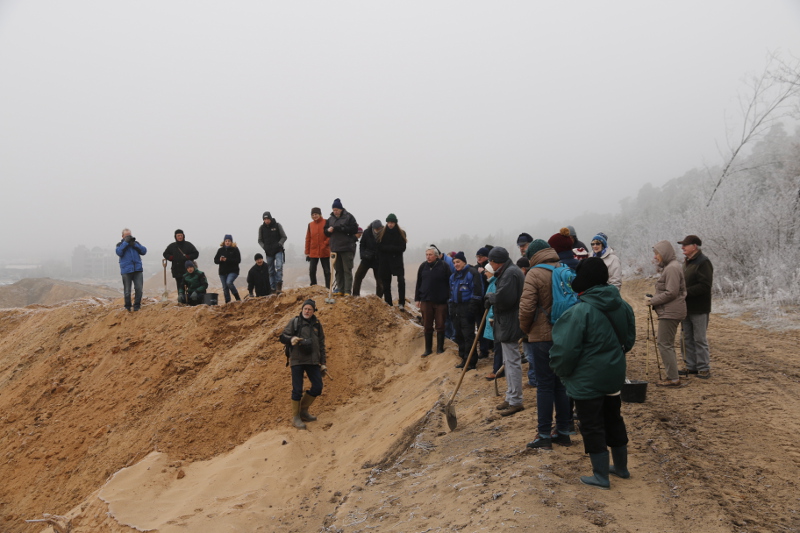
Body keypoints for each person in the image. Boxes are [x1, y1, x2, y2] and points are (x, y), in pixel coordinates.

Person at [549, 257, 636, 489]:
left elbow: (565, 351)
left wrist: (562, 372)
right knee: (613, 418)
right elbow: (628, 341)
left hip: (588, 379)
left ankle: (600, 476)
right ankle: (621, 467)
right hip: (614, 375)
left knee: (591, 424)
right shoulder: (623, 306)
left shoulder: (579, 312)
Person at [520, 241, 572, 448]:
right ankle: (564, 432)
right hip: (564, 334)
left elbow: (526, 307)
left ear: (533, 256)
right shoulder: (563, 268)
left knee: (544, 386)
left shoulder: (534, 273)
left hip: (542, 337)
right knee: (561, 384)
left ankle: (543, 436)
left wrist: (525, 329)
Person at [484, 247, 526, 416]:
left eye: (491, 261)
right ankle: (510, 396)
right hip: (507, 322)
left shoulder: (510, 273)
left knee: (513, 361)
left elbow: (504, 299)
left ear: (497, 261)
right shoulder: (508, 271)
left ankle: (516, 400)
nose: (489, 264)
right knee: (508, 361)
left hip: (510, 322)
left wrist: (490, 297)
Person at [279, 299, 327, 430]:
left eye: (309, 309)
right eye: (305, 309)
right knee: (297, 390)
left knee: (317, 387)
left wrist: (323, 362)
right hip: (297, 360)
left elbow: (321, 344)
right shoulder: (295, 322)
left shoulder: (317, 324)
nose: (307, 311)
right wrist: (291, 339)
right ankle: (295, 417)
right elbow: (282, 337)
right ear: (302, 309)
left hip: (313, 361)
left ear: (313, 311)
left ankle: (303, 411)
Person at [646, 240, 687, 387]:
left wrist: (653, 301)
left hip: (670, 312)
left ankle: (673, 379)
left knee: (664, 344)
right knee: (666, 344)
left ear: (664, 253)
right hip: (671, 310)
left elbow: (671, 292)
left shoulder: (672, 268)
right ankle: (673, 376)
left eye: (657, 253)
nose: (655, 257)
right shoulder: (671, 267)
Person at [678, 235, 713, 379]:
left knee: (699, 338)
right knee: (686, 338)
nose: (682, 247)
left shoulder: (703, 262)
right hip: (686, 307)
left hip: (699, 308)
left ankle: (704, 368)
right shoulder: (687, 262)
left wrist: (685, 292)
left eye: (685, 245)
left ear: (695, 246)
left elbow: (705, 286)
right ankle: (691, 367)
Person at [448, 251, 484, 369]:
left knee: (468, 335)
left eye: (458, 262)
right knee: (459, 335)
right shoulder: (453, 276)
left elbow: (478, 292)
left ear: (464, 262)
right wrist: (451, 308)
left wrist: (471, 308)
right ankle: (463, 358)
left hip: (467, 307)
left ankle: (471, 361)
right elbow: (451, 293)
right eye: (454, 262)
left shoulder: (472, 273)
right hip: (456, 308)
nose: (456, 264)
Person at [415, 246, 451, 356]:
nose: (428, 257)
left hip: (440, 301)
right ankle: (428, 349)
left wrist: (448, 298)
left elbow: (450, 283)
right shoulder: (423, 266)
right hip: (426, 300)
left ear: (436, 256)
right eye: (427, 254)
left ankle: (440, 348)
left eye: (430, 255)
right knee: (427, 325)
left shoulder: (444, 266)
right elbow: (419, 283)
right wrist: (417, 298)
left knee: (440, 325)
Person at [325, 198, 359, 296]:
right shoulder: (330, 219)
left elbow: (354, 229)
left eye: (337, 210)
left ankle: (347, 291)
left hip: (346, 247)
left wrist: (342, 228)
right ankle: (340, 289)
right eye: (334, 210)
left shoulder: (349, 217)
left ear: (341, 209)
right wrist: (328, 231)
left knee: (346, 269)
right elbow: (325, 232)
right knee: (338, 269)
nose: (335, 212)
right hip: (335, 247)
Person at [376, 213, 407, 308]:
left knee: (401, 281)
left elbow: (402, 247)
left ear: (395, 223)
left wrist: (388, 249)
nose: (390, 224)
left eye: (392, 222)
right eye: (389, 222)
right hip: (385, 262)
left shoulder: (401, 233)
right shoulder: (381, 233)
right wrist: (392, 249)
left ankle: (401, 302)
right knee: (386, 283)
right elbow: (378, 247)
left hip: (397, 261)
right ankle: (388, 302)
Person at [162, 229, 199, 303]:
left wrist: (188, 257)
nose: (180, 237)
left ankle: (191, 301)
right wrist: (171, 258)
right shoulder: (172, 246)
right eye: (178, 236)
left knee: (191, 286)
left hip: (188, 270)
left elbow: (196, 254)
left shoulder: (188, 245)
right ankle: (181, 302)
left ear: (183, 236)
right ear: (175, 237)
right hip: (177, 270)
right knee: (180, 287)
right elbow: (165, 254)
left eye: (181, 235)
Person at [116, 228, 147, 312]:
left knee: (139, 288)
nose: (129, 237)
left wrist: (135, 245)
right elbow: (119, 252)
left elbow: (144, 251)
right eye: (126, 235)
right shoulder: (120, 244)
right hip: (126, 270)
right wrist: (125, 243)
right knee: (127, 290)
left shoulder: (135, 243)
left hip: (137, 269)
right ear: (122, 236)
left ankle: (137, 305)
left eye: (129, 235)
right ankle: (127, 307)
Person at [482, 264, 505, 381]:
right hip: (493, 319)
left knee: (498, 345)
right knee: (498, 345)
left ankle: (498, 371)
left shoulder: (495, 284)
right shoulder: (491, 282)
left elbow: (494, 303)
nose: (485, 273)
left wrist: (491, 317)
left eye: (486, 271)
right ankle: (498, 369)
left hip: (495, 319)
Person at [258, 211, 288, 294]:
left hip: (278, 250)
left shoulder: (277, 225)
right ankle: (273, 288)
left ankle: (279, 285)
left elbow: (284, 237)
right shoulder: (261, 228)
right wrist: (264, 247)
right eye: (265, 219)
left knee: (279, 267)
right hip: (268, 252)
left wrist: (279, 244)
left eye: (268, 218)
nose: (266, 220)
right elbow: (259, 240)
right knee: (270, 271)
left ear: (270, 218)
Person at [352, 220, 384, 297]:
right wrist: (362, 255)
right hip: (366, 258)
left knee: (380, 281)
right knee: (358, 276)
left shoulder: (385, 233)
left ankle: (378, 299)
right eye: (375, 228)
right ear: (372, 227)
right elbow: (362, 244)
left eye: (378, 228)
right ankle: (355, 295)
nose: (377, 230)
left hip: (378, 261)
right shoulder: (367, 232)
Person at [305, 207, 331, 288]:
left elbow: (330, 236)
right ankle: (313, 286)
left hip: (324, 250)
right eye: (312, 215)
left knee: (327, 271)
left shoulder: (326, 222)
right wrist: (307, 252)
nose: (314, 216)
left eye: (316, 214)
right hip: (313, 251)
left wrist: (325, 244)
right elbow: (308, 238)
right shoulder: (310, 225)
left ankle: (328, 288)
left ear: (320, 214)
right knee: (312, 271)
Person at [214, 235, 241, 304]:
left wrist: (227, 260)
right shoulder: (220, 250)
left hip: (233, 271)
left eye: (229, 241)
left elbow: (238, 260)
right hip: (222, 272)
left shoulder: (235, 249)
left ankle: (237, 298)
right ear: (224, 242)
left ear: (231, 242)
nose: (227, 242)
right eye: (226, 241)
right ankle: (228, 302)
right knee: (225, 288)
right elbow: (215, 260)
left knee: (229, 282)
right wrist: (220, 260)